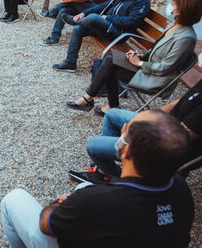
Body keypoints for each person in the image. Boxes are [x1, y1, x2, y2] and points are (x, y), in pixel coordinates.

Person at [1, 110, 194, 248]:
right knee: (84, 185)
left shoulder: (91, 202)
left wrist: (58, 204)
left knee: (13, 200)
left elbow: (46, 225)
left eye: (127, 128)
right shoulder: (181, 189)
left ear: (126, 151)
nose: (123, 128)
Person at [65, 0, 202, 115]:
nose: (171, 5)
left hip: (156, 77)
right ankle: (95, 101)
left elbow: (165, 67)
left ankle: (93, 100)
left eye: (174, 3)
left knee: (109, 68)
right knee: (109, 60)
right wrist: (141, 55)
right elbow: (156, 49)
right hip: (148, 67)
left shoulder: (186, 37)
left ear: (184, 8)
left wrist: (140, 63)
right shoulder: (173, 25)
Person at [70, 78, 202, 183]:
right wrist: (148, 116)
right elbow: (177, 103)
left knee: (93, 145)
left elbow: (179, 139)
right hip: (163, 125)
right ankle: (107, 172)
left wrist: (133, 134)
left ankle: (120, 181)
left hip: (166, 148)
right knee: (112, 115)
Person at [52, 0, 151, 72]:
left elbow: (131, 21)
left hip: (117, 33)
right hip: (105, 27)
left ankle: (74, 21)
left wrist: (108, 18)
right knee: (78, 29)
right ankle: (70, 63)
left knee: (94, 17)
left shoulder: (142, 1)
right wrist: (84, 13)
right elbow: (104, 6)